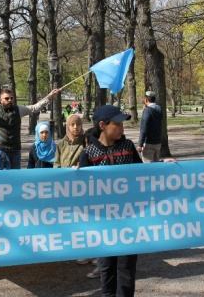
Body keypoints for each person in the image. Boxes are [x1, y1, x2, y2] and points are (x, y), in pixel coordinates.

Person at [78, 105, 143, 296]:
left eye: (122, 123)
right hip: (103, 222)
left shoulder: (128, 147)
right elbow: (83, 191)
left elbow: (144, 176)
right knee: (106, 267)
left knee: (127, 268)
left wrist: (165, 166)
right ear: (102, 125)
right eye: (117, 124)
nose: (122, 128)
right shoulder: (88, 154)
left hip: (128, 220)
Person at [0, 85, 60, 169]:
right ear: (1, 100)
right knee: (1, 177)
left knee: (15, 177)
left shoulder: (19, 110)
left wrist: (49, 97)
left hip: (15, 151)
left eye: (11, 98)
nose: (10, 100)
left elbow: (35, 107)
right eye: (7, 98)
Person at [137, 91, 162, 163]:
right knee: (156, 165)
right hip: (158, 142)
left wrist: (140, 144)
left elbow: (144, 128)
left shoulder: (147, 111)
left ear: (146, 100)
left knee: (148, 166)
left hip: (148, 143)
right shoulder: (159, 109)